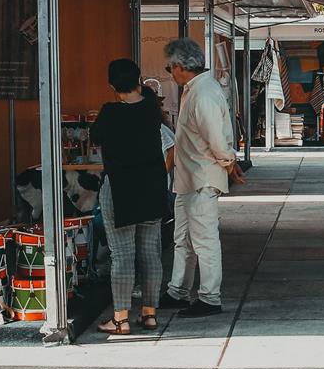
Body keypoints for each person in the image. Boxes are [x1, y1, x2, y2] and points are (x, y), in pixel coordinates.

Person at [158, 37, 239, 318]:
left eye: (170, 69)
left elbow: (215, 138)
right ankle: (177, 290)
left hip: (202, 177)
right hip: (189, 178)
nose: (171, 74)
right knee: (183, 239)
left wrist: (229, 162)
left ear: (180, 66)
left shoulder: (203, 93)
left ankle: (209, 297)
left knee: (203, 240)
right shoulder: (196, 89)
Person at [90, 59, 168, 335]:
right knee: (150, 253)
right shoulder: (151, 109)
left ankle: (121, 319)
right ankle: (149, 314)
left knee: (122, 255)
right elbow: (146, 97)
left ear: (111, 85)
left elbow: (95, 135)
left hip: (121, 188)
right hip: (151, 187)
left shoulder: (109, 113)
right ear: (139, 79)